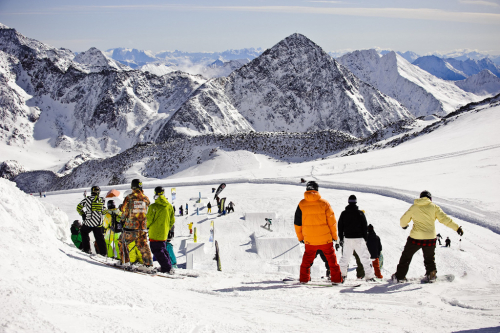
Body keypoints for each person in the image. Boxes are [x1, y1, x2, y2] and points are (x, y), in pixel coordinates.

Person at [392, 190, 463, 283]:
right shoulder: (434, 207)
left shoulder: (414, 207)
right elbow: (445, 219)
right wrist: (457, 228)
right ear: (430, 198)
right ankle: (431, 275)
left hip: (415, 238)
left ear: (420, 197)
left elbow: (403, 220)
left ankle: (400, 276)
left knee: (406, 256)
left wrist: (404, 225)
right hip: (430, 238)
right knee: (429, 258)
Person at [294, 181, 342, 284]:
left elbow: (297, 223)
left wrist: (301, 238)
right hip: (326, 240)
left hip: (310, 240)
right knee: (331, 260)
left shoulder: (301, 204)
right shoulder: (324, 203)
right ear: (317, 189)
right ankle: (336, 279)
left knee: (306, 261)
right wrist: (334, 237)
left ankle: (304, 279)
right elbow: (332, 222)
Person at [338, 195, 376, 282]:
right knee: (364, 258)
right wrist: (365, 239)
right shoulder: (360, 213)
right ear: (355, 202)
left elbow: (340, 227)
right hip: (359, 239)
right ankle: (369, 276)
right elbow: (364, 227)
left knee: (345, 258)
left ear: (348, 202)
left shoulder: (344, 213)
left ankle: (342, 275)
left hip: (347, 239)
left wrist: (341, 238)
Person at [120, 179, 154, 271]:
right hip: (142, 227)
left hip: (130, 227)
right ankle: (148, 264)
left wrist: (122, 220)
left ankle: (125, 262)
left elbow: (124, 211)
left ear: (132, 187)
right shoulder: (146, 198)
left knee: (123, 242)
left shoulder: (129, 198)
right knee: (143, 245)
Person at [146, 186, 175, 274]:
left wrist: (146, 227)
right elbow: (172, 220)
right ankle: (168, 265)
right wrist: (166, 228)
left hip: (154, 232)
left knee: (156, 250)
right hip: (164, 233)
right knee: (163, 248)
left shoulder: (153, 206)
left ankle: (166, 268)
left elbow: (149, 220)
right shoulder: (169, 206)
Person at [76, 186, 107, 255]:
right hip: (98, 223)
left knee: (83, 232)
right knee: (100, 238)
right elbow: (104, 212)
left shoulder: (87, 199)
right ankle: (103, 253)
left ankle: (87, 249)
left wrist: (83, 215)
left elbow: (78, 208)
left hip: (89, 222)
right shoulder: (101, 200)